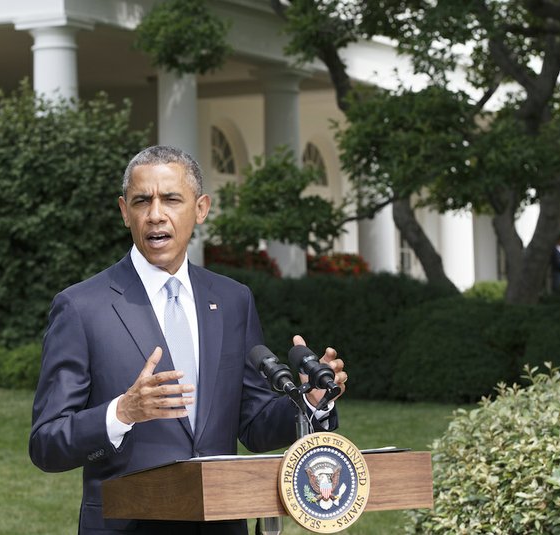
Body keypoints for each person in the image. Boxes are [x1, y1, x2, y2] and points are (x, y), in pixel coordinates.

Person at [29, 145, 347, 535]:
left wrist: (309, 403)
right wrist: (122, 413)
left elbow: (254, 424)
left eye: (171, 199)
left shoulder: (233, 300)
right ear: (124, 212)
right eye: (142, 201)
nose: (155, 214)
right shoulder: (81, 308)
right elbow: (46, 444)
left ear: (200, 209)